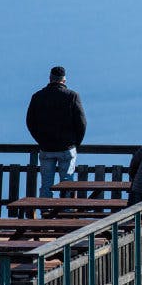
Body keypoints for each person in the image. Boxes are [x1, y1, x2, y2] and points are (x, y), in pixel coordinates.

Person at [26, 65, 87, 197]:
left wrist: (40, 140)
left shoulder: (37, 96)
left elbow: (30, 122)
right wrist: (76, 143)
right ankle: (67, 211)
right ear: (64, 80)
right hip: (67, 147)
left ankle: (45, 211)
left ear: (50, 79)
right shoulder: (72, 96)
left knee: (46, 184)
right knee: (67, 183)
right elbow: (81, 123)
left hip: (46, 148)